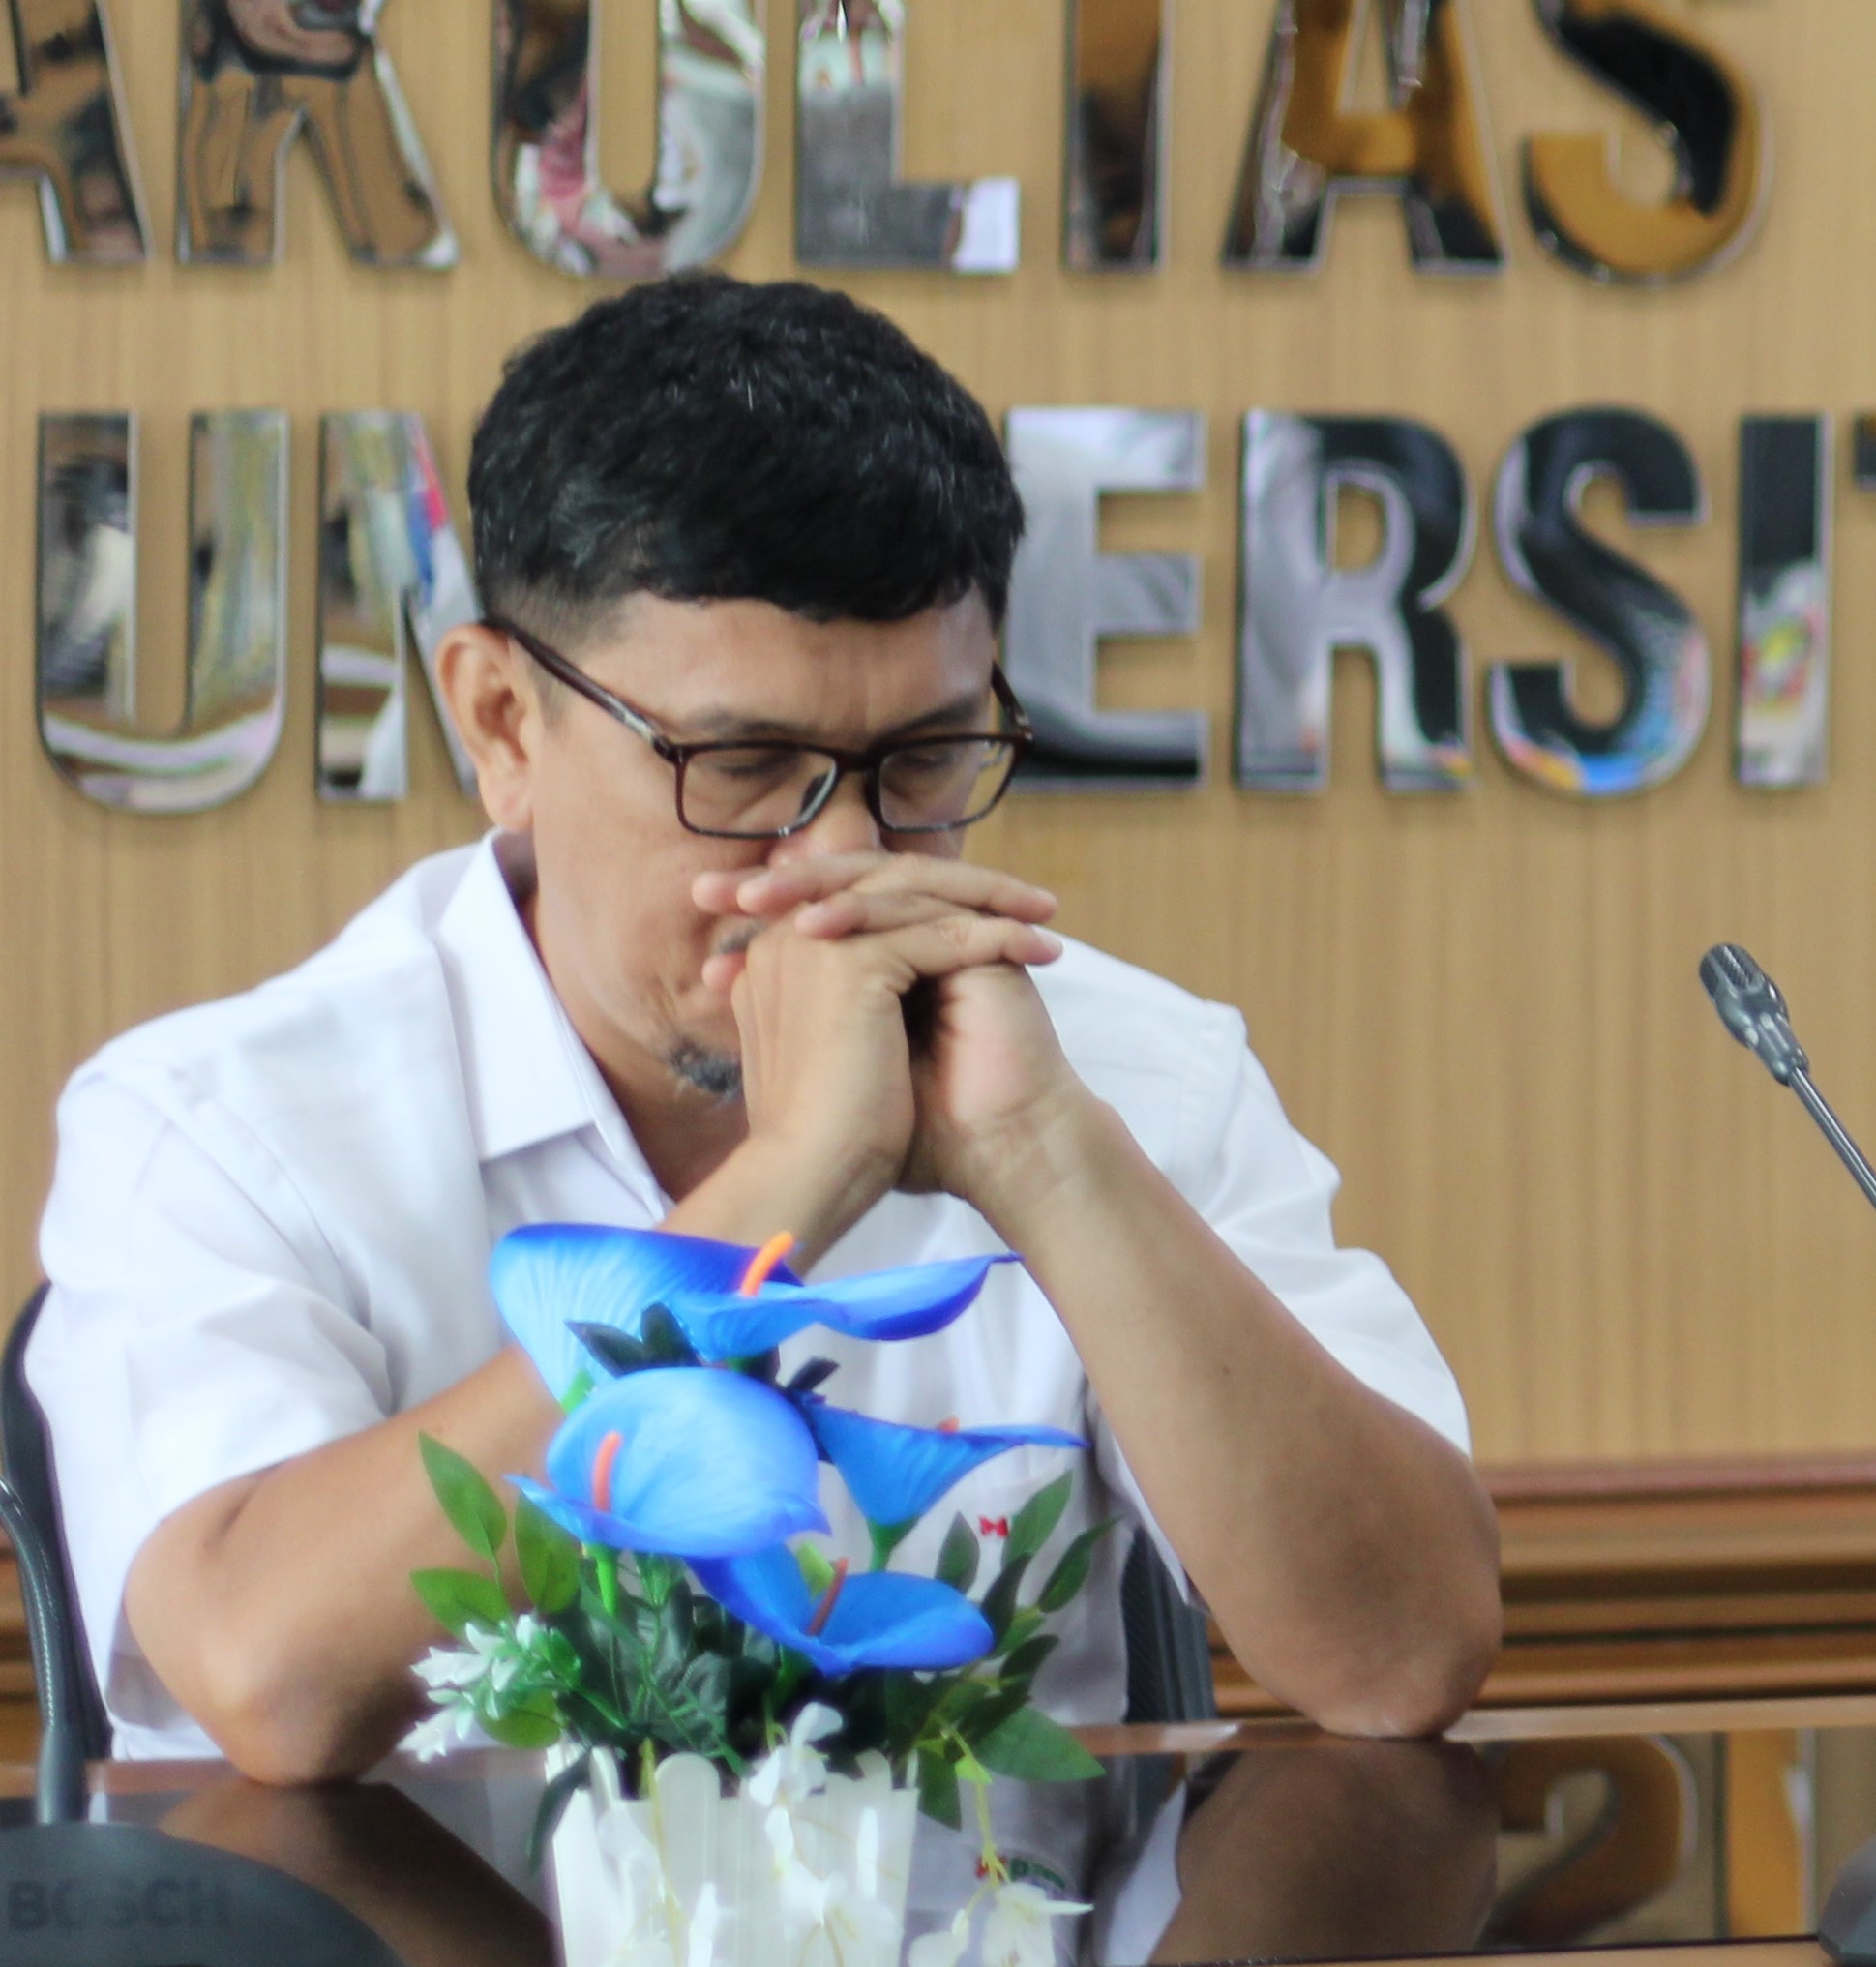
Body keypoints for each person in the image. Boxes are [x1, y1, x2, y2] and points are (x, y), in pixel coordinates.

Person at [37, 275, 1499, 1784]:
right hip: (417, 1947)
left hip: (983, 1941)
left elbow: (1403, 1658)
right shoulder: (219, 1123)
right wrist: (783, 1189)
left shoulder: (1126, 1080)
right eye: (740, 766)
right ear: (501, 724)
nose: (843, 858)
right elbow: (268, 1680)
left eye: (925, 759)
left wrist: (1045, 1159)